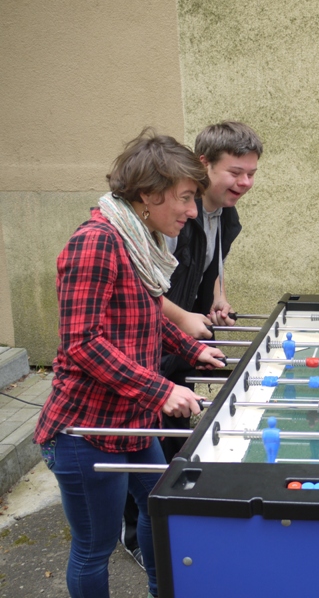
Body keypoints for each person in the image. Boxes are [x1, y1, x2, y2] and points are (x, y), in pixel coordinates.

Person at [34, 129, 226, 598]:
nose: (192, 211)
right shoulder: (96, 242)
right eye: (185, 197)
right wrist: (161, 390)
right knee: (93, 548)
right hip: (85, 430)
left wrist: (191, 349)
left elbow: (143, 316)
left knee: (161, 516)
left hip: (131, 422)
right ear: (148, 194)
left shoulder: (138, 242)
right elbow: (81, 343)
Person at [120, 121, 263, 566]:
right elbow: (142, 285)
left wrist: (218, 297)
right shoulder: (174, 214)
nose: (245, 182)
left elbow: (211, 263)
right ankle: (135, 532)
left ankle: (172, 521)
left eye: (251, 173)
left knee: (173, 433)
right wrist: (182, 319)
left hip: (181, 339)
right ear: (204, 165)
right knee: (144, 440)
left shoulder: (225, 214)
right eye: (235, 172)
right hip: (156, 338)